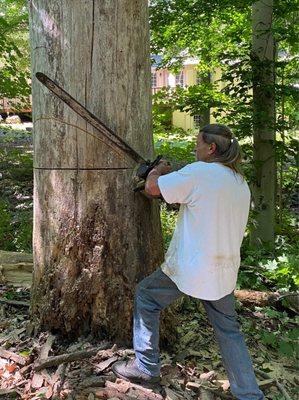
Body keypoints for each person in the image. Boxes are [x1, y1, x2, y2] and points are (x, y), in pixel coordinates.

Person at [112, 124, 264, 400]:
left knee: (146, 296)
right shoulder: (238, 181)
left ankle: (146, 367)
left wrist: (158, 170)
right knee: (229, 331)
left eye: (198, 144)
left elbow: (152, 187)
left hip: (191, 268)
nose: (195, 148)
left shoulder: (199, 172)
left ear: (211, 148)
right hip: (223, 271)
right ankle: (250, 394)